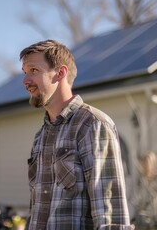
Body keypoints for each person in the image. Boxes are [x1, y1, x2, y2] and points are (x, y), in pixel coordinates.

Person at [20, 40, 134, 229]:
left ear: (60, 73)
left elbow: (110, 211)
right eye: (25, 73)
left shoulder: (92, 124)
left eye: (33, 71)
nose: (25, 81)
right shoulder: (41, 136)